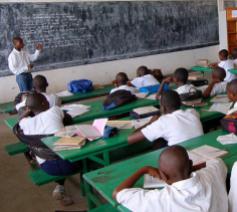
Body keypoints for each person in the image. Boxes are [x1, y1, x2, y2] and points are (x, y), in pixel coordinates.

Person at [113, 145, 228, 212]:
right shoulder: (212, 173)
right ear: (190, 163)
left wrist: (144, 169)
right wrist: (189, 168)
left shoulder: (161, 199)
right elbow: (217, 161)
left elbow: (117, 193)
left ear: (163, 177)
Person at [15, 92, 78, 206]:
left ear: (28, 108)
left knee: (53, 154)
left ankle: (60, 187)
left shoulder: (24, 123)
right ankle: (89, 184)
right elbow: (68, 119)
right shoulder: (54, 111)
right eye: (46, 100)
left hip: (47, 166)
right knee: (85, 151)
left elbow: (19, 121)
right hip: (72, 163)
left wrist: (27, 112)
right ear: (45, 103)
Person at [128, 90, 203, 146]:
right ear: (180, 103)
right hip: (201, 148)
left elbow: (131, 139)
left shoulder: (163, 122)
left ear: (163, 107)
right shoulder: (193, 112)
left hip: (181, 158)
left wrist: (150, 123)